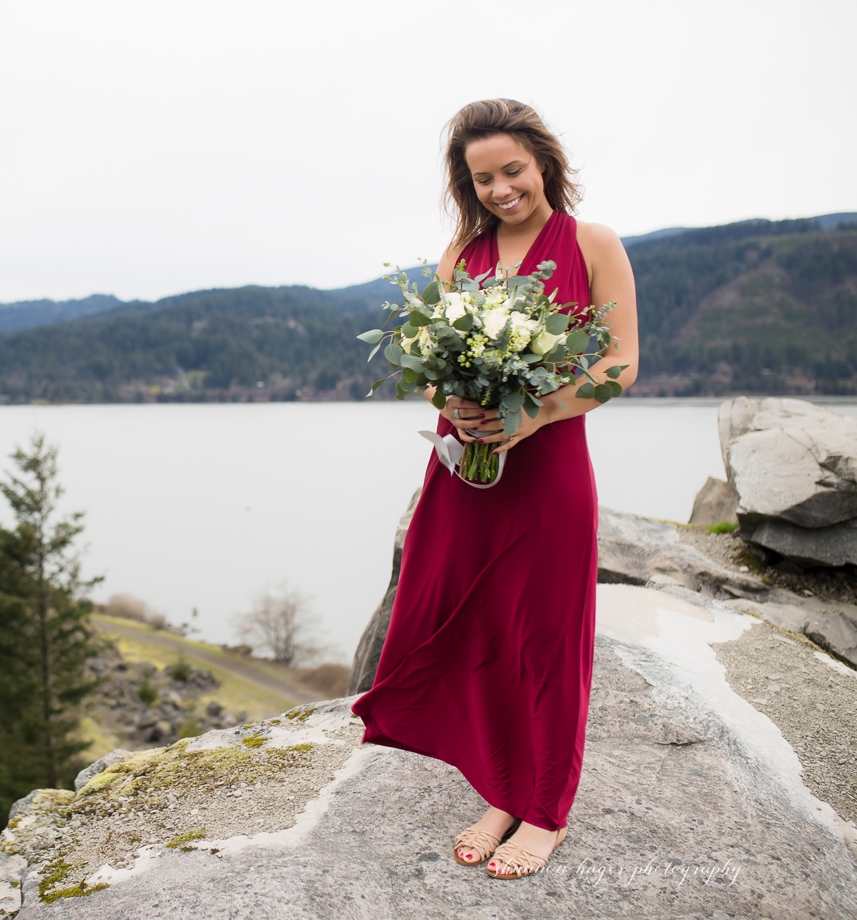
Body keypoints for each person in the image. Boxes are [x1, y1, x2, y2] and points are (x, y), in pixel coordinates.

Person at [350, 99, 641, 880]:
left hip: (548, 470)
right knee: (474, 627)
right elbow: (432, 369)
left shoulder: (592, 243)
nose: (502, 189)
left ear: (544, 161)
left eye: (512, 170)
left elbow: (619, 363)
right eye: (483, 179)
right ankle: (503, 790)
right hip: (467, 469)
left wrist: (534, 413)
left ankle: (545, 811)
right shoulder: (460, 256)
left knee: (545, 639)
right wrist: (459, 406)